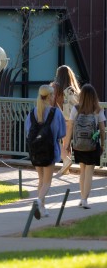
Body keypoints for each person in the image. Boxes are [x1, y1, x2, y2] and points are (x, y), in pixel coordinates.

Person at [25, 84, 66, 218]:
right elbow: (61, 133)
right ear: (50, 96)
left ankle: (42, 208)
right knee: (47, 181)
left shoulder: (33, 112)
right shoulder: (56, 112)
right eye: (53, 94)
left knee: (41, 180)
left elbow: (28, 131)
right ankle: (38, 202)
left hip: (35, 150)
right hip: (50, 150)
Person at [63, 84, 105, 209]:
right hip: (92, 145)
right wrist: (102, 145)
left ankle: (82, 198)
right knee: (89, 173)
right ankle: (85, 199)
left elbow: (70, 126)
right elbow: (102, 130)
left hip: (78, 145)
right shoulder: (98, 110)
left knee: (82, 171)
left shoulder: (76, 109)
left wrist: (67, 144)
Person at [52, 65, 80, 176]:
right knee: (67, 143)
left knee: (56, 140)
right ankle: (66, 168)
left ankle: (66, 160)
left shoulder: (55, 87)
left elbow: (51, 102)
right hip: (72, 120)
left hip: (61, 119)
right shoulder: (74, 89)